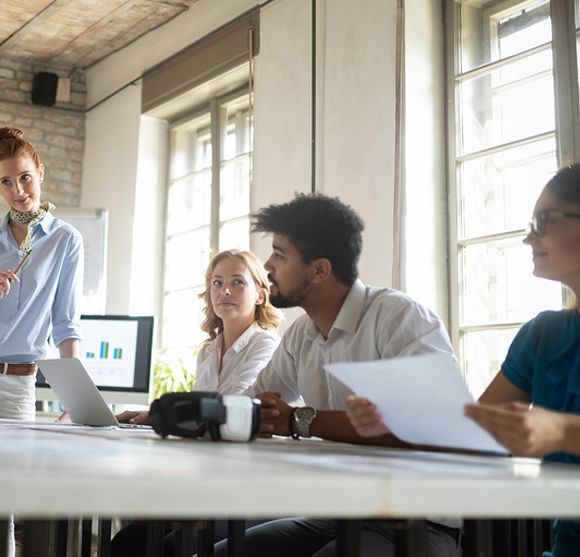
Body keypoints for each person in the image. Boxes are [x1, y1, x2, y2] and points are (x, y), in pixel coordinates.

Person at [348, 165, 580, 557]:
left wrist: (565, 433)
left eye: (544, 221)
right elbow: (472, 430)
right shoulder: (542, 336)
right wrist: (399, 419)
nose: (528, 238)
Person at [219, 193, 461, 557]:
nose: (268, 265)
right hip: (340, 513)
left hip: (418, 518)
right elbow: (255, 398)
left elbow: (428, 426)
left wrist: (301, 421)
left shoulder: (399, 318)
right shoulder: (302, 333)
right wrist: (175, 414)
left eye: (280, 255)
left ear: (319, 270)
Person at [0, 126, 83, 557]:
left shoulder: (64, 240)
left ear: (39, 172)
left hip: (15, 382)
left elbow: (66, 323)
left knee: (1, 502)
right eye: (6, 181)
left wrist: (74, 396)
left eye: (25, 177)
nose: (18, 190)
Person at [110, 249, 282, 556]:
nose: (224, 291)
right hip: (209, 478)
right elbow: (200, 415)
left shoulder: (265, 343)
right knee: (126, 542)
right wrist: (157, 416)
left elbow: (232, 408)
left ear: (259, 295)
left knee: (166, 547)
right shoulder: (208, 350)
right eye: (216, 283)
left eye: (237, 282)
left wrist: (167, 415)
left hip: (249, 484)